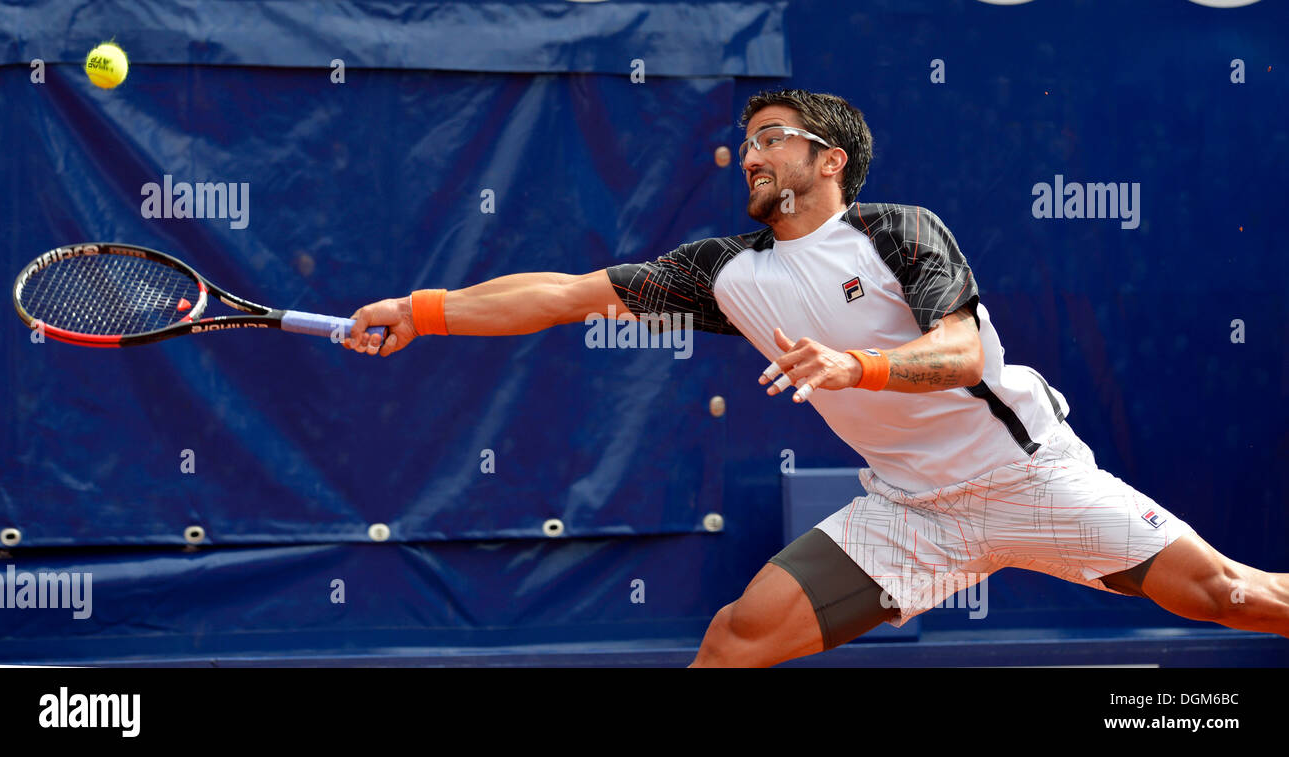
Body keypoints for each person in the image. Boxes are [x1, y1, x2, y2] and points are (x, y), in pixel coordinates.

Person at [342, 89, 1289, 667]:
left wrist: (855, 363)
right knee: (734, 639)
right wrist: (421, 311)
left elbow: (962, 355)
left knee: (1230, 599)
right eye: (744, 139)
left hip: (1032, 480)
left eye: (773, 135)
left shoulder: (898, 230)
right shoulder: (726, 272)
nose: (749, 150)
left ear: (829, 160)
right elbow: (560, 293)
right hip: (911, 510)